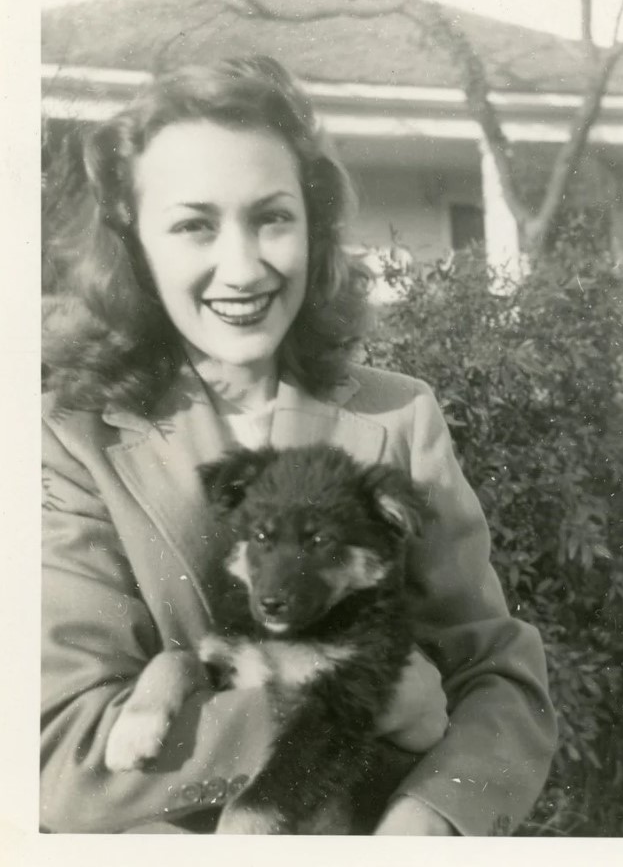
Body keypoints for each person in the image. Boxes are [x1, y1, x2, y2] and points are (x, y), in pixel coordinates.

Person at [41, 56, 557, 835]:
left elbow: (497, 676)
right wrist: (363, 703)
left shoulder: (398, 416)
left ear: (313, 227)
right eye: (193, 224)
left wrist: (430, 820)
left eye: (272, 216)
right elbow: (57, 756)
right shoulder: (69, 441)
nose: (243, 267)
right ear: (134, 243)